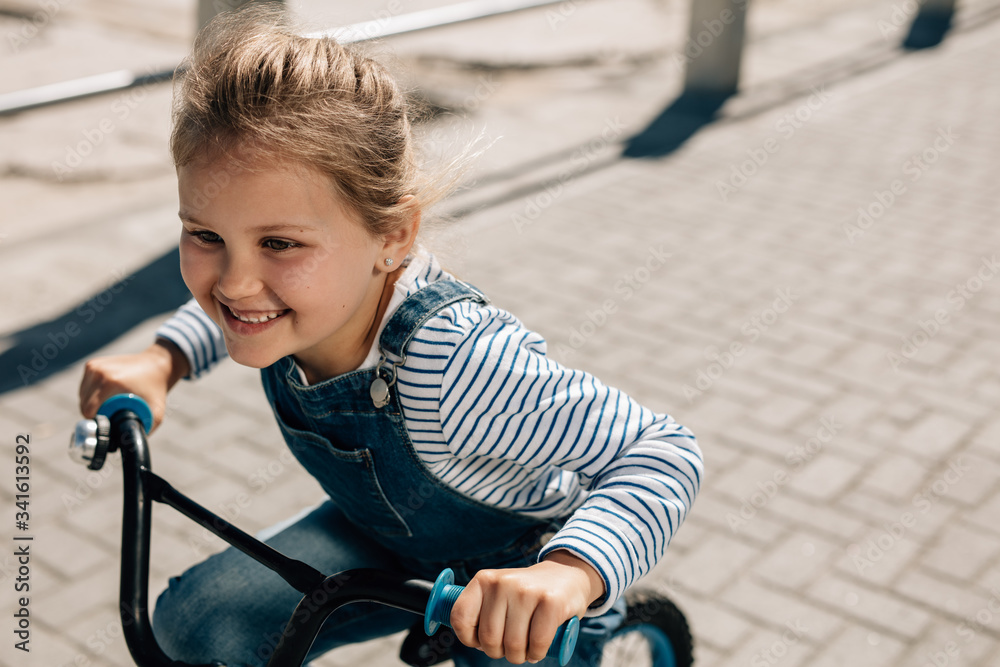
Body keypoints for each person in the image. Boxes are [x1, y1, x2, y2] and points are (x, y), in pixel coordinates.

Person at [77, 5, 703, 667]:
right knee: (197, 623)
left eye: (280, 243)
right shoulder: (274, 299)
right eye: (206, 235)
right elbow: (231, 307)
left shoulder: (456, 363)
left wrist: (570, 572)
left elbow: (662, 450)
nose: (235, 282)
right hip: (377, 533)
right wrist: (162, 358)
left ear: (393, 235)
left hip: (515, 580)